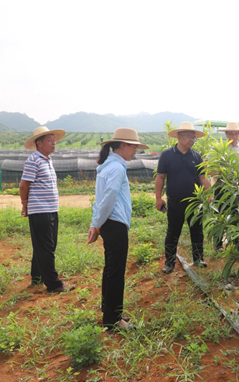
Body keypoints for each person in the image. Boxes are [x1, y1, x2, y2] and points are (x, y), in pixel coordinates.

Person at [87, 128, 148, 331]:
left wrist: (97, 222)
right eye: (133, 147)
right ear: (123, 145)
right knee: (116, 272)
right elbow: (109, 198)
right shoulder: (117, 168)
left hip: (109, 223)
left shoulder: (107, 166)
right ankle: (114, 320)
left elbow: (101, 199)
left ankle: (110, 313)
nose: (135, 151)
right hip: (115, 224)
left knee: (110, 270)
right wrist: (96, 223)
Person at [19, 126, 73, 293]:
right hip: (39, 210)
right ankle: (53, 284)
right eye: (50, 140)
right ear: (39, 143)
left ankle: (37, 277)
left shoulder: (47, 160)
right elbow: (23, 185)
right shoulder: (33, 160)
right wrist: (25, 203)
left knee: (44, 245)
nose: (53, 143)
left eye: (54, 140)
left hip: (50, 209)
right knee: (47, 247)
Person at [155, 121, 211, 273]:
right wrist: (158, 198)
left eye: (193, 137)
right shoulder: (167, 155)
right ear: (179, 137)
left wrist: (209, 195)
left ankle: (198, 259)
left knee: (197, 231)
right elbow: (160, 177)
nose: (191, 139)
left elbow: (203, 178)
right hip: (175, 202)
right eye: (188, 136)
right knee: (173, 232)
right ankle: (170, 263)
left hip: (195, 202)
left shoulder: (197, 156)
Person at [213, 122, 239, 251]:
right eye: (231, 133)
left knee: (237, 213)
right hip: (221, 186)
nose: (233, 136)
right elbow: (209, 167)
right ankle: (218, 245)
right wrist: (221, 171)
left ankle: (236, 243)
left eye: (236, 133)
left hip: (238, 187)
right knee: (220, 214)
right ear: (226, 134)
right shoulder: (218, 148)